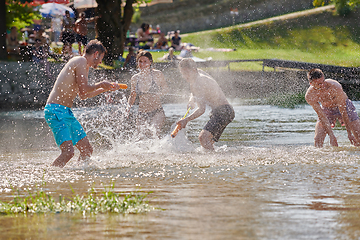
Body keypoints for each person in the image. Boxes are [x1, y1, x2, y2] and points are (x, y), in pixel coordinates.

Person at [44, 40, 122, 168]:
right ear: (96, 54)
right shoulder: (80, 61)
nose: (101, 62)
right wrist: (102, 84)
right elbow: (85, 89)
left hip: (65, 112)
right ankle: (49, 177)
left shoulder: (84, 65)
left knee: (87, 150)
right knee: (68, 153)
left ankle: (79, 176)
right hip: (55, 110)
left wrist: (105, 89)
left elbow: (83, 95)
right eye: (101, 58)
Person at [176, 58, 235, 150]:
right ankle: (217, 160)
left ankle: (214, 161)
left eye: (186, 73)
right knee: (208, 142)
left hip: (222, 112)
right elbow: (195, 92)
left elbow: (201, 109)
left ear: (193, 70)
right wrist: (192, 99)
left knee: (203, 138)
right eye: (182, 73)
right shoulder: (199, 73)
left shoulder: (198, 83)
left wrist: (186, 120)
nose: (184, 76)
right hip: (226, 111)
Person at [305, 68, 360, 147]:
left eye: (323, 81)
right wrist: (331, 136)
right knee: (317, 140)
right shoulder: (310, 96)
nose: (323, 85)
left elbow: (343, 110)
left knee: (358, 136)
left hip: (345, 107)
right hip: (327, 109)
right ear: (311, 84)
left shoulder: (335, 86)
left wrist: (349, 133)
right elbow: (322, 116)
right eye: (319, 84)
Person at [127, 50, 169, 137]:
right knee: (141, 137)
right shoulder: (135, 78)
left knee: (154, 133)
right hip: (142, 113)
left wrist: (160, 93)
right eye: (140, 61)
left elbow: (165, 89)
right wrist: (128, 108)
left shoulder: (157, 74)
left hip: (157, 111)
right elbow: (132, 95)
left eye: (145, 61)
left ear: (150, 62)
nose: (142, 64)